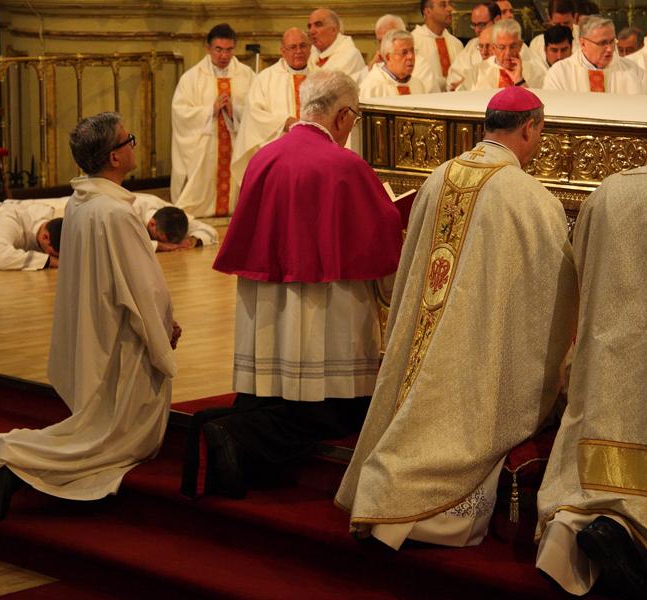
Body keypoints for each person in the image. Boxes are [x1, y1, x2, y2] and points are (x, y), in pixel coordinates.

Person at [335, 86, 578, 551]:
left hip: (423, 345)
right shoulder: (530, 197)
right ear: (529, 127)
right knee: (469, 420)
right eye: (541, 131)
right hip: (478, 348)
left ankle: (385, 501)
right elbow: (555, 292)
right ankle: (424, 515)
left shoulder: (439, 175)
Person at [185, 71, 403, 499]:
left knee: (272, 393)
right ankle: (235, 437)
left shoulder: (263, 158)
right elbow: (382, 241)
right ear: (342, 115)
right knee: (338, 411)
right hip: (326, 308)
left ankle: (225, 432)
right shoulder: (346, 166)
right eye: (353, 118)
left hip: (266, 308)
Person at [0, 112, 181, 520]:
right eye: (128, 139)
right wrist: (162, 331)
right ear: (114, 158)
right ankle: (13, 458)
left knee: (103, 431)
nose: (133, 144)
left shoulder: (82, 204)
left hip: (99, 333)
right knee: (121, 443)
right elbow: (143, 286)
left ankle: (15, 460)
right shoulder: (115, 214)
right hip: (124, 341)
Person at [534, 91, 647, 599]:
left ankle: (592, 522)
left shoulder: (607, 191)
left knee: (597, 451)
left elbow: (576, 272)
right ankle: (643, 543)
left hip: (609, 362)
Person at [171, 24, 254, 218]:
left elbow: (258, 110)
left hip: (236, 144)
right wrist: (211, 110)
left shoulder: (247, 75)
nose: (224, 55)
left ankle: (239, 207)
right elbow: (180, 113)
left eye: (229, 50)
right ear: (208, 48)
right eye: (218, 49)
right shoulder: (191, 78)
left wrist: (236, 112)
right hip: (206, 146)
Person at [231, 28, 311, 187]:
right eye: (292, 47)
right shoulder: (265, 79)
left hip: (314, 152)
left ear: (310, 48)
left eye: (303, 46)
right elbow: (254, 115)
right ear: (283, 51)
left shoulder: (321, 76)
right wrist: (284, 122)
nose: (298, 51)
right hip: (280, 154)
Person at [543, 16, 645, 93]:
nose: (610, 49)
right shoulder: (560, 73)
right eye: (602, 43)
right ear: (583, 44)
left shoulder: (632, 70)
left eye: (612, 41)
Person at [472, 18, 546, 88]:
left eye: (513, 46)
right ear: (493, 48)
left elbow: (535, 101)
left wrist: (519, 80)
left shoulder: (534, 72)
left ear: (520, 46)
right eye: (502, 47)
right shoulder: (478, 71)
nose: (508, 53)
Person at [132, 193, 219, 251]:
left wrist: (193, 240)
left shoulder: (172, 213)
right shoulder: (131, 211)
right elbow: (126, 244)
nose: (169, 245)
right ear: (152, 223)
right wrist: (160, 245)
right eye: (159, 237)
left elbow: (210, 231)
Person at [412, 0, 465, 92]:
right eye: (443, 5)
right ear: (428, 12)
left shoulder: (456, 43)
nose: (450, 9)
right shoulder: (413, 42)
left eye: (449, 4)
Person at [360, 30, 425, 97]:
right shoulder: (372, 87)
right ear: (388, 57)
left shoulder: (417, 85)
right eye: (404, 52)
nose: (411, 56)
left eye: (412, 51)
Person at [307, 8, 366, 81]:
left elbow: (334, 88)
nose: (312, 31)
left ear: (334, 30)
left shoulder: (350, 55)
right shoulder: (309, 54)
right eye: (309, 26)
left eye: (318, 25)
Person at [449, 25, 495, 91]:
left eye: (488, 46)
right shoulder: (475, 70)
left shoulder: (507, 69)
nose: (484, 52)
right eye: (481, 46)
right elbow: (455, 88)